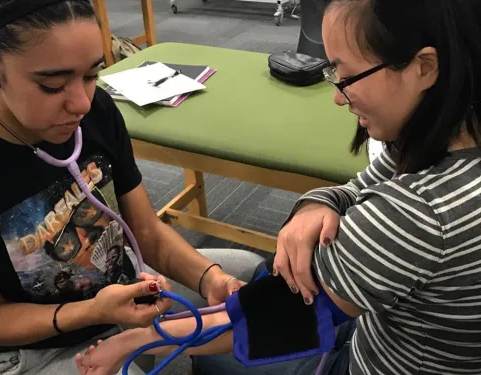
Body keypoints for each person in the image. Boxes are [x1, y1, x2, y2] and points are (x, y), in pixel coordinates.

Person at [76, 0, 481, 374]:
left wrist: (139, 341)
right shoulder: (447, 135)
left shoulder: (418, 211)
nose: (338, 96)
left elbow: (284, 316)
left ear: (425, 67)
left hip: (379, 359)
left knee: (209, 357)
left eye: (348, 75)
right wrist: (314, 206)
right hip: (384, 324)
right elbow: (357, 188)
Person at [0, 1, 265, 374]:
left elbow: (146, 231)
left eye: (91, 74)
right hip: (36, 346)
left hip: (124, 294)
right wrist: (91, 312)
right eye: (52, 86)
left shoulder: (97, 110)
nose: (81, 103)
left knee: (248, 270)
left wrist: (210, 278)